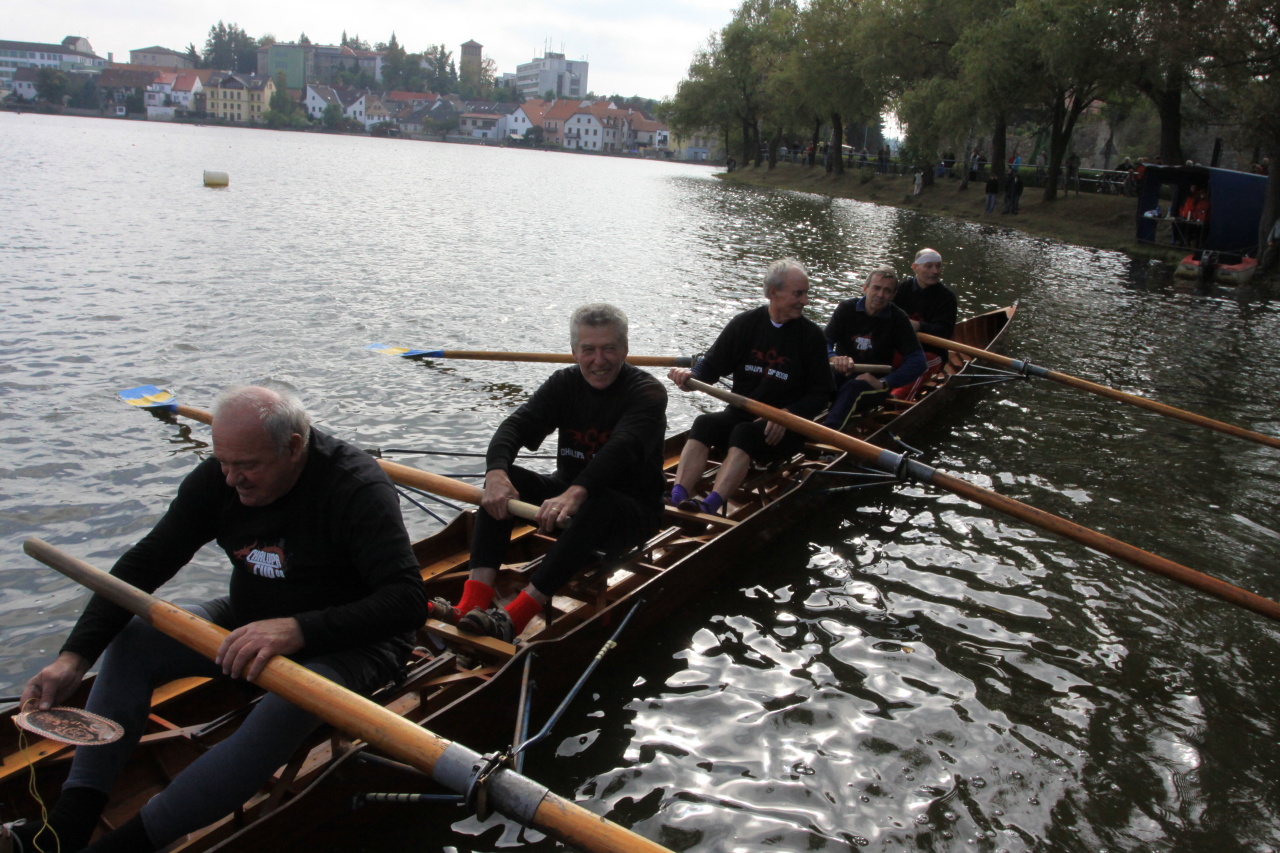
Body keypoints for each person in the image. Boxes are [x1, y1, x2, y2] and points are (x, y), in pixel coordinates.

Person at [13, 386, 428, 853]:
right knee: (133, 639)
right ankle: (65, 829)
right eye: (223, 462)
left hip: (354, 643)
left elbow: (407, 600)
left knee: (282, 710)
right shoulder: (221, 477)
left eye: (247, 465)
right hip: (251, 618)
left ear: (294, 447)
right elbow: (143, 566)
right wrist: (73, 657)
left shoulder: (356, 487)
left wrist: (298, 630)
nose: (232, 479)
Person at [432, 304, 667, 642]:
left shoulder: (647, 393)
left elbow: (623, 448)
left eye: (609, 349)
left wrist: (576, 492)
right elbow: (515, 426)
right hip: (570, 505)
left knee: (598, 500)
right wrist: (496, 473)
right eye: (588, 349)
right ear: (574, 351)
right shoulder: (564, 383)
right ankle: (471, 603)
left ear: (625, 349)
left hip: (632, 512)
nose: (598, 360)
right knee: (508, 480)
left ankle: (515, 617)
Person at [666, 258, 832, 516]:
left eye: (806, 293)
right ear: (773, 292)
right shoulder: (745, 324)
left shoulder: (811, 336)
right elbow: (711, 365)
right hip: (741, 414)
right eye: (798, 294)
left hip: (783, 428)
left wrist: (788, 414)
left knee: (744, 433)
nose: (805, 301)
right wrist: (690, 376)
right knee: (704, 423)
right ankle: (677, 496)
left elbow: (823, 393)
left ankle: (709, 506)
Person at [823, 266, 926, 430]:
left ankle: (826, 437)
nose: (880, 295)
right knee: (816, 379)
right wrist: (833, 357)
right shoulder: (846, 309)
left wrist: (885, 382)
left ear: (893, 295)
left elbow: (918, 362)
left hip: (873, 384)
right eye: (876, 288)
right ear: (865, 288)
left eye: (887, 291)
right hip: (842, 374)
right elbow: (823, 342)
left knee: (853, 388)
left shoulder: (898, 319)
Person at [892, 248, 959, 399]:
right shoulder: (900, 290)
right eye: (929, 266)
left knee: (920, 365)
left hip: (931, 352)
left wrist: (919, 326)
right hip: (903, 348)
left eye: (938, 266)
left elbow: (945, 332)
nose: (935, 271)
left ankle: (896, 400)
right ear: (915, 267)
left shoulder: (947, 297)